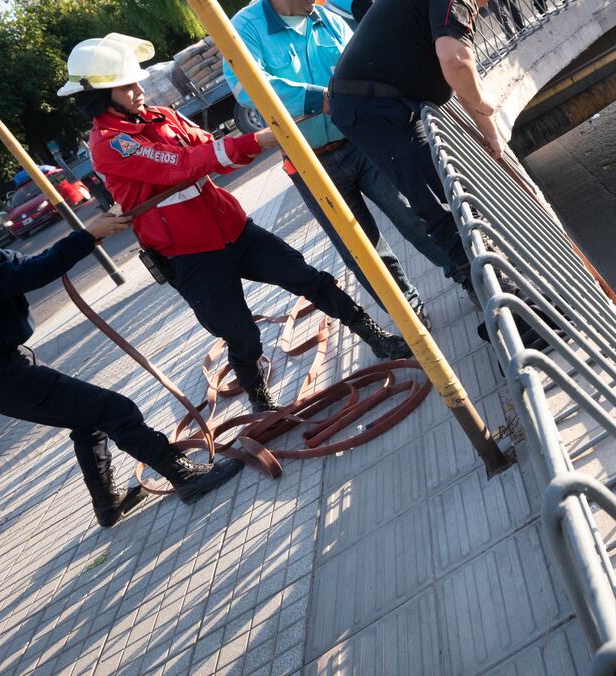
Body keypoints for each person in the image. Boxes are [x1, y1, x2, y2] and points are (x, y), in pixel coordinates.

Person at [59, 33, 410, 414]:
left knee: (307, 277)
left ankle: (374, 335)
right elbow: (184, 164)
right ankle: (259, 398)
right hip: (190, 255)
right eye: (125, 85)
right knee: (241, 334)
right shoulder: (111, 144)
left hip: (233, 228)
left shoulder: (161, 117)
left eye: (134, 79)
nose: (137, 88)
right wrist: (257, 139)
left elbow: (207, 150)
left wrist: (242, 147)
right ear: (99, 95)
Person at [226, 0, 453, 328]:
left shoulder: (328, 19)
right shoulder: (244, 30)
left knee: (419, 216)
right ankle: (410, 315)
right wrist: (323, 100)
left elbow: (367, 64)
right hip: (310, 164)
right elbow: (252, 89)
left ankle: (469, 277)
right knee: (363, 250)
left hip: (364, 142)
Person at [0, 212, 244, 526]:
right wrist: (84, 236)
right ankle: (183, 476)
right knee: (114, 410)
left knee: (87, 420)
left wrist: (90, 236)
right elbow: (26, 276)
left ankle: (109, 505)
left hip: (3, 366)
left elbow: (20, 262)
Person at [328, 0, 516, 297]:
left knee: (443, 189)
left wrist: (489, 132)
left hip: (379, 104)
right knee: (435, 202)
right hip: (373, 108)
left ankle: (496, 289)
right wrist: (483, 106)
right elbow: (456, 62)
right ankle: (499, 300)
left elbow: (456, 68)